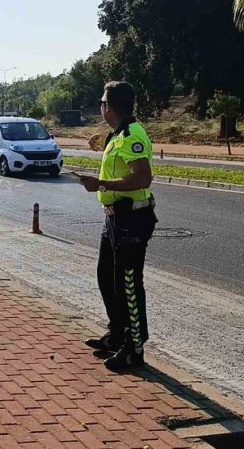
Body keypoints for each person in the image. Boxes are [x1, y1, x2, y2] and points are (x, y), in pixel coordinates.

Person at [79, 81, 157, 371]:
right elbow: (119, 158)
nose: (100, 106)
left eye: (102, 102)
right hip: (113, 217)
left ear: (108, 106)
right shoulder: (119, 134)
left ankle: (134, 349)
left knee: (128, 284)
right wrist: (102, 141)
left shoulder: (133, 135)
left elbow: (142, 179)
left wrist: (100, 184)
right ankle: (117, 334)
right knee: (107, 278)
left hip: (132, 219)